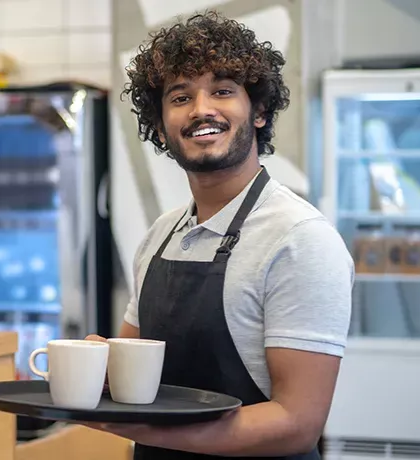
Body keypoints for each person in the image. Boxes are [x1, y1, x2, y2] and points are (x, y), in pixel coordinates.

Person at [84, 10, 354, 459]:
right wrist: (95, 362)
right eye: (180, 97)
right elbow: (131, 371)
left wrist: (151, 433)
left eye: (223, 91)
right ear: (160, 124)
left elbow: (297, 423)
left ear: (260, 111)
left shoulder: (300, 239)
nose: (201, 109)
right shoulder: (161, 235)